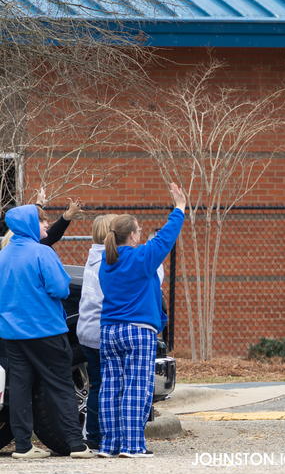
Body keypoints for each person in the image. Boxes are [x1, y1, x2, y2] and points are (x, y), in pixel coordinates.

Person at [0, 203, 95, 459]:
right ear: (30, 224)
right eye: (42, 221)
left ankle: (23, 446)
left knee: (19, 386)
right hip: (44, 330)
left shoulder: (3, 255)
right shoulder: (42, 253)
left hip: (11, 333)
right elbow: (61, 289)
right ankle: (77, 445)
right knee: (61, 384)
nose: (45, 225)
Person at [98, 182, 185, 458]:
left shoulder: (106, 262)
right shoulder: (141, 258)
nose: (141, 234)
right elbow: (165, 240)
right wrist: (179, 208)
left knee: (110, 388)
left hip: (109, 332)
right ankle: (133, 445)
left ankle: (109, 446)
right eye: (138, 230)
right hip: (137, 332)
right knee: (137, 388)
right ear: (133, 236)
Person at [76, 213, 116, 451]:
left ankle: (93, 436)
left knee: (96, 386)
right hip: (102, 333)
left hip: (86, 332)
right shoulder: (108, 262)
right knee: (105, 386)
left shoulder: (93, 258)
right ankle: (101, 436)